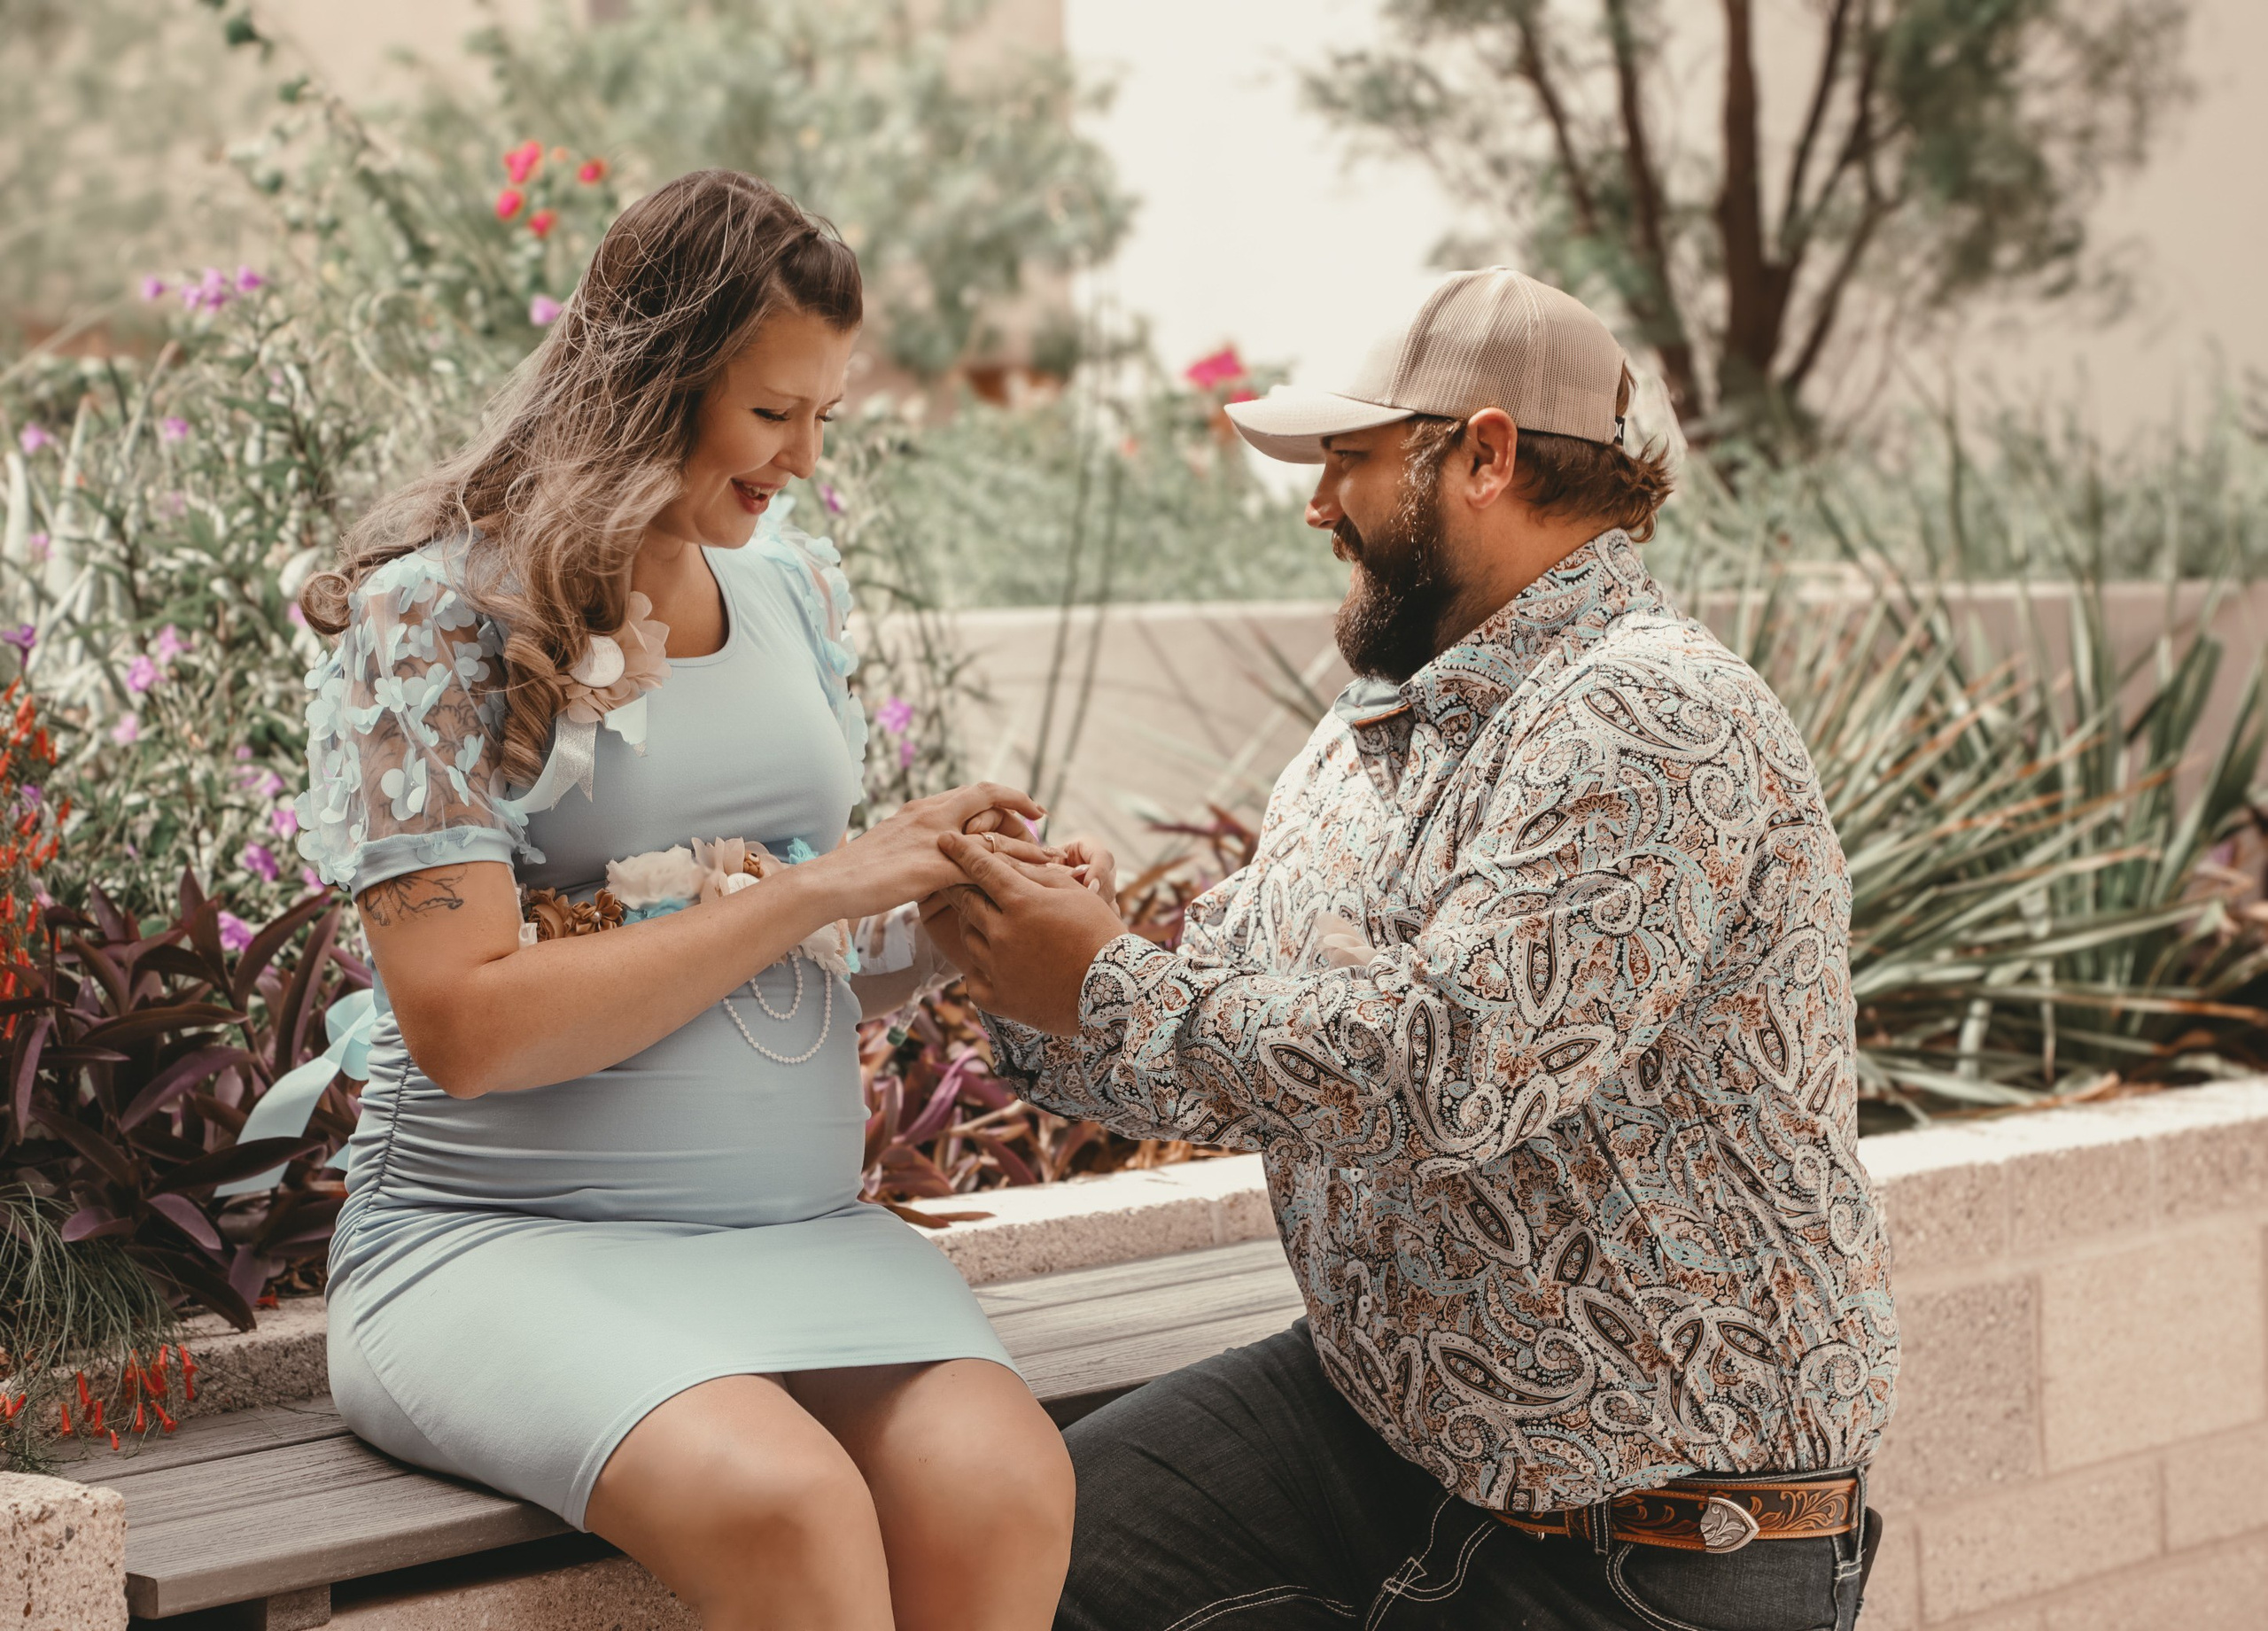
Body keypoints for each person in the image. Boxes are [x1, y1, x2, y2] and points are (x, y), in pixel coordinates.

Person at [928, 268, 1899, 1631]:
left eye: (1350, 461)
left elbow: (1450, 1069)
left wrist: (1108, 982)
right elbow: (1222, 1038)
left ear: (1486, 454)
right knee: (994, 1559)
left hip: (1653, 1534)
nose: (1320, 507)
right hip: (1388, 1428)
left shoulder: (1654, 717)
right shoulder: (1373, 731)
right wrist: (1029, 962)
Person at [295, 169, 1074, 1631]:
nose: (803, 458)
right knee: (787, 1503)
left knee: (1007, 1483)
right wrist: (823, 883)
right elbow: (467, 1026)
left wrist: (953, 907)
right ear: (652, 380)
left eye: (825, 415)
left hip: (797, 1237)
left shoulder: (785, 591)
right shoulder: (432, 616)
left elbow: (796, 940)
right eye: (773, 414)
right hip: (500, 1243)